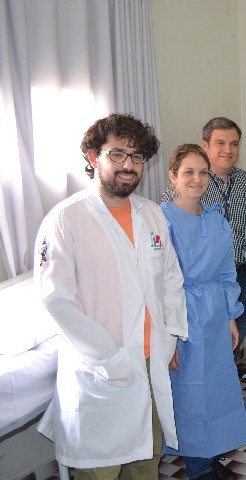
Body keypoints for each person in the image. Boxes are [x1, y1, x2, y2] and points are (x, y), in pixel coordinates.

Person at [34, 114, 188, 478]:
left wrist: (170, 335)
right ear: (93, 157)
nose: (128, 165)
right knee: (100, 470)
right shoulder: (66, 219)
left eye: (137, 157)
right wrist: (109, 359)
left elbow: (170, 278)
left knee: (146, 463)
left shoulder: (152, 214)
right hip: (99, 370)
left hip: (150, 362)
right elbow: (56, 300)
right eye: (117, 154)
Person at [161, 144, 246, 480]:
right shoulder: (161, 221)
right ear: (173, 176)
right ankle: (198, 468)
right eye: (188, 172)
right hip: (181, 315)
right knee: (188, 392)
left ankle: (209, 454)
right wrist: (168, 336)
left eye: (202, 172)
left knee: (216, 387)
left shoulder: (215, 219)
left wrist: (230, 316)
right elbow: (155, 282)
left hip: (213, 314)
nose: (197, 179)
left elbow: (226, 271)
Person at [161, 118, 246, 364]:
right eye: (220, 143)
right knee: (192, 359)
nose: (228, 150)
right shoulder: (188, 186)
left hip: (239, 277)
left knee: (229, 345)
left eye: (234, 144)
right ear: (205, 145)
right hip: (193, 287)